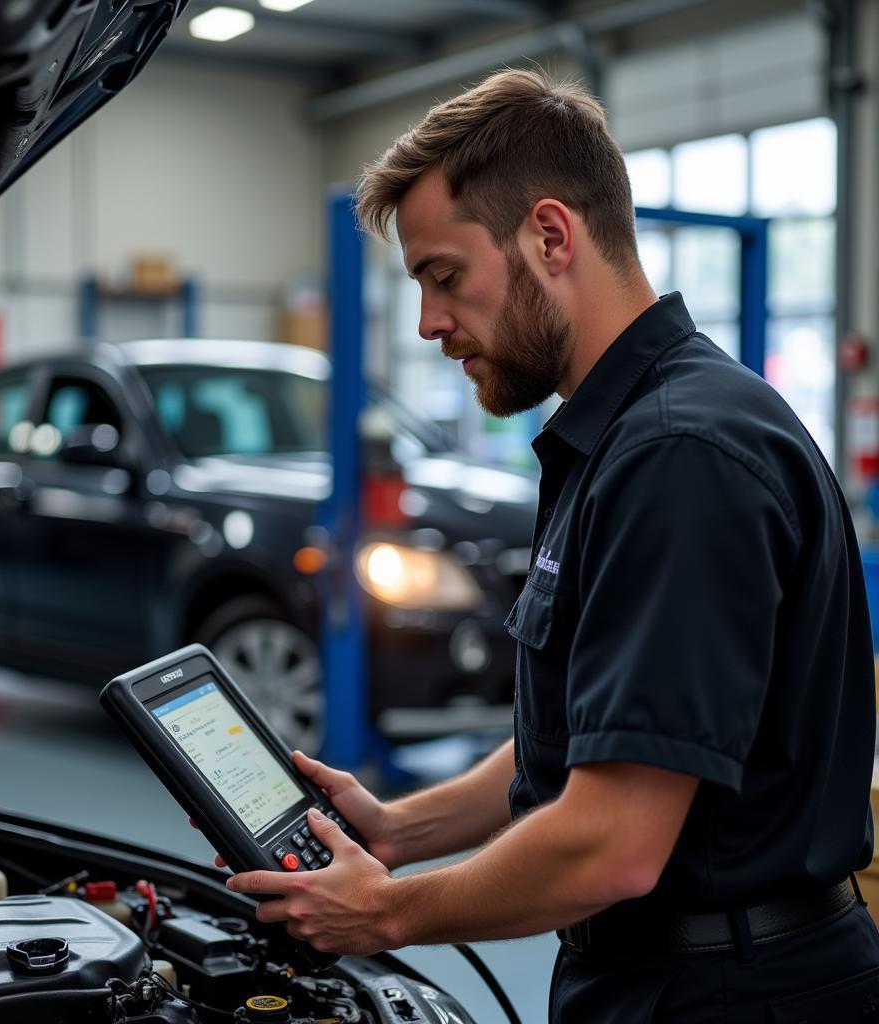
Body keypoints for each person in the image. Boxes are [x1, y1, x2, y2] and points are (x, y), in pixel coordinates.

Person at [204, 68, 879, 1021]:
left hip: (727, 994)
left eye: (446, 277)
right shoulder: (632, 433)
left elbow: (613, 839)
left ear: (551, 236)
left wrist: (385, 912)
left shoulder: (679, 455)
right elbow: (605, 738)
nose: (432, 322)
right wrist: (400, 828)